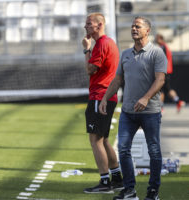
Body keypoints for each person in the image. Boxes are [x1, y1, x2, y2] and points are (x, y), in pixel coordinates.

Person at [99, 16, 167, 200]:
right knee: (123, 149)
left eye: (138, 26)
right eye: (132, 26)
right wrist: (105, 98)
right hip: (128, 112)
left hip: (150, 112)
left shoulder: (157, 53)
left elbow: (160, 80)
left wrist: (145, 98)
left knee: (154, 150)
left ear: (147, 31)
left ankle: (153, 192)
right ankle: (129, 190)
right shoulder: (126, 54)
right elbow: (118, 80)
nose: (133, 28)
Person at [82, 12, 123, 194]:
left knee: (95, 139)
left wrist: (86, 49)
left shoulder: (101, 44)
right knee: (104, 139)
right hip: (108, 96)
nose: (86, 27)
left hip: (101, 96)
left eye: (89, 24)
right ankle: (117, 178)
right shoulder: (110, 43)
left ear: (99, 25)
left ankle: (105, 182)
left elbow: (90, 69)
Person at [155, 33, 185, 113]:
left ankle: (161, 108)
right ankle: (178, 101)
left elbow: (161, 59)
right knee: (167, 89)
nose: (155, 40)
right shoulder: (164, 47)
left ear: (160, 39)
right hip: (166, 71)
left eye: (157, 38)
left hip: (164, 71)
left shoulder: (163, 47)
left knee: (160, 90)